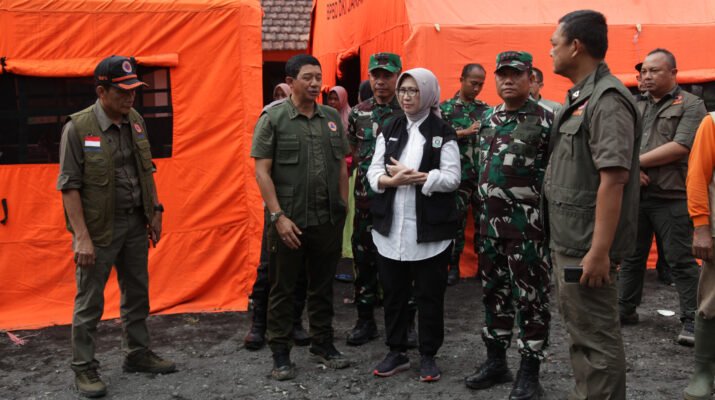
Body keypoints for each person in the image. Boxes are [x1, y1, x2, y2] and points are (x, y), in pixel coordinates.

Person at [57, 55, 176, 398]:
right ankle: (84, 367)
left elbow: (146, 169)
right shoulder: (78, 128)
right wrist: (82, 238)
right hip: (98, 230)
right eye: (123, 91)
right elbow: (69, 186)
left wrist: (155, 210)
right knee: (90, 300)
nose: (130, 96)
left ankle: (137, 354)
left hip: (135, 222)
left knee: (137, 292)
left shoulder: (135, 120)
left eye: (134, 89)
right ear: (101, 91)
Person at [545, 10, 641, 399]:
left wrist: (599, 252)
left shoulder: (607, 100)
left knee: (596, 340)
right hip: (572, 238)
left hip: (587, 245)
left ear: (575, 46)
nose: (550, 51)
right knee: (582, 333)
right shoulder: (582, 96)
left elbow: (614, 179)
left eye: (554, 43)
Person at [251, 54, 351, 381]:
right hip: (288, 221)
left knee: (322, 287)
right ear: (290, 81)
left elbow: (341, 166)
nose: (314, 83)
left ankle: (323, 343)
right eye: (307, 77)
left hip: (326, 219)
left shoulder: (330, 118)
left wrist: (342, 207)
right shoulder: (273, 118)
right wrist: (277, 216)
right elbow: (262, 172)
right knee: (282, 288)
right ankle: (280, 353)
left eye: (318, 77)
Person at [465, 51, 553, 400]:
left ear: (531, 78)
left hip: (528, 231)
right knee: (494, 295)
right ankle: (496, 362)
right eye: (502, 74)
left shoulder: (546, 120)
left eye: (516, 74)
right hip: (489, 228)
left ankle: (530, 373)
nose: (508, 80)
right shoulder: (488, 117)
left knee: (531, 300)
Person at [367, 67, 460, 382]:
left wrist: (418, 178)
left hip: (429, 231)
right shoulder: (390, 126)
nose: (407, 97)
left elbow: (452, 178)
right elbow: (373, 171)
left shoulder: (442, 131)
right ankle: (396, 350)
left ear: (428, 93)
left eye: (414, 90)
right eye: (403, 90)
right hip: (391, 228)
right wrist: (391, 181)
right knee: (393, 294)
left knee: (429, 296)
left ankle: (428, 354)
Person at [618, 48, 706, 347]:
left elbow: (681, 146)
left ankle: (694, 318)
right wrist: (632, 171)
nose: (646, 76)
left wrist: (635, 165)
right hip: (636, 193)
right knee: (631, 256)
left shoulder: (691, 104)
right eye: (643, 71)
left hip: (673, 196)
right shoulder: (634, 104)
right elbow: (620, 143)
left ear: (673, 73)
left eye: (654, 71)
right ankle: (625, 309)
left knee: (681, 259)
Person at [346, 53, 406, 346]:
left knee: (401, 266)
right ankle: (365, 321)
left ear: (398, 76)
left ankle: (405, 325)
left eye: (387, 76)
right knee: (364, 262)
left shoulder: (407, 112)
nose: (380, 81)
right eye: (375, 75)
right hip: (366, 201)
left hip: (399, 202)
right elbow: (353, 152)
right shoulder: (359, 112)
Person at [439, 63, 489, 286]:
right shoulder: (446, 109)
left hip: (481, 177)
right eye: (473, 83)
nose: (477, 88)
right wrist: (464, 132)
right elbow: (438, 138)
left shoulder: (485, 110)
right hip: (457, 177)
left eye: (481, 85)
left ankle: (483, 267)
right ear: (462, 80)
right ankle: (454, 266)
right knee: (456, 223)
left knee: (483, 222)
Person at [683, 112, 715, 400]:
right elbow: (696, 176)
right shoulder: (713, 123)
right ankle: (703, 371)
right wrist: (701, 226)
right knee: (711, 302)